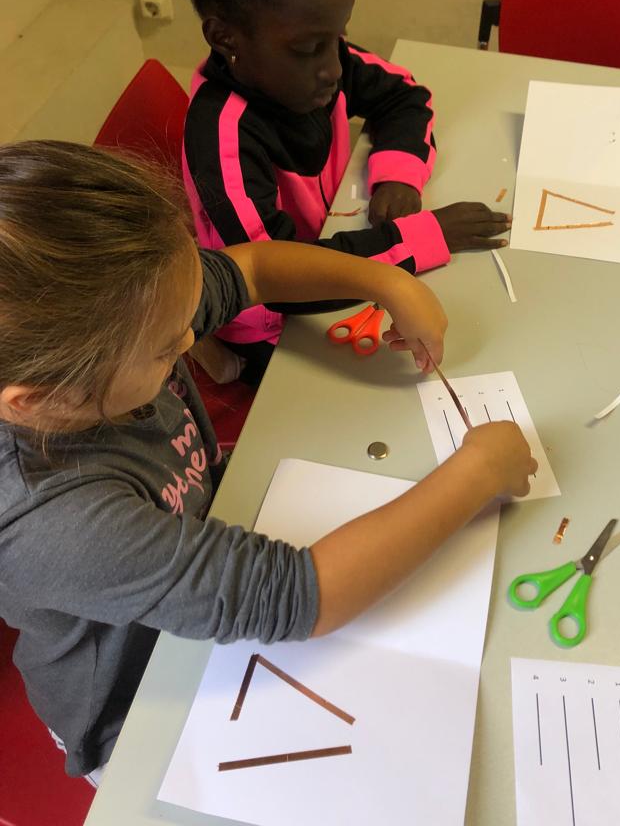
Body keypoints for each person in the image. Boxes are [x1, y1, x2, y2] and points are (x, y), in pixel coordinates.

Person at [0, 140, 535, 780]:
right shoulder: (51, 520)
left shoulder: (121, 311)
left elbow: (251, 268)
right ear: (43, 402)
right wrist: (478, 472)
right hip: (138, 709)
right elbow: (303, 594)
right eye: (168, 350)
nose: (190, 338)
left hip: (203, 562)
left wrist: (385, 279)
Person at [157, 0, 511, 384]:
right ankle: (216, 355)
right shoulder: (221, 137)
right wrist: (426, 236)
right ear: (226, 38)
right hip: (272, 317)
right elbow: (274, 272)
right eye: (308, 49)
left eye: (337, 37)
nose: (333, 68)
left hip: (338, 249)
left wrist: (397, 173)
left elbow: (406, 96)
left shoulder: (320, 64)